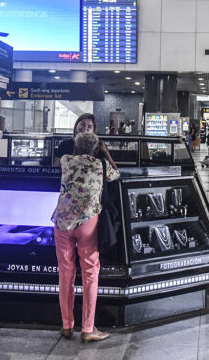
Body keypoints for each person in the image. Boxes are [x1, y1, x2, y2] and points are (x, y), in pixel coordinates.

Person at [51, 131, 119, 343]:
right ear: (96, 149)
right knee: (90, 273)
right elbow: (117, 173)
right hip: (88, 222)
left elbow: (55, 164)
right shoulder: (101, 166)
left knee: (65, 273)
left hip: (62, 222)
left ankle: (67, 325)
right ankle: (88, 328)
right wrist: (105, 153)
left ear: (75, 147)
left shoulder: (65, 160)